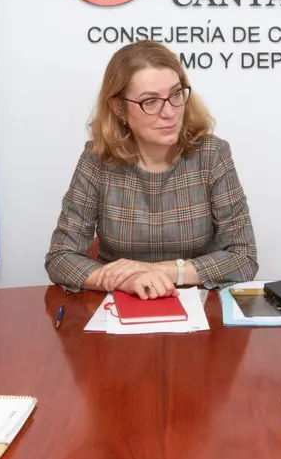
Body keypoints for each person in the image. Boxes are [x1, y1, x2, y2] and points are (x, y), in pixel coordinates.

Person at [45, 40, 258, 298]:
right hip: (120, 306)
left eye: (176, 94)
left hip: (197, 308)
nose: (169, 112)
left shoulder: (212, 155)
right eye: (150, 102)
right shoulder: (97, 160)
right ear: (118, 107)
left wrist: (159, 271)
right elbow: (60, 257)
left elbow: (243, 257)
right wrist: (127, 280)